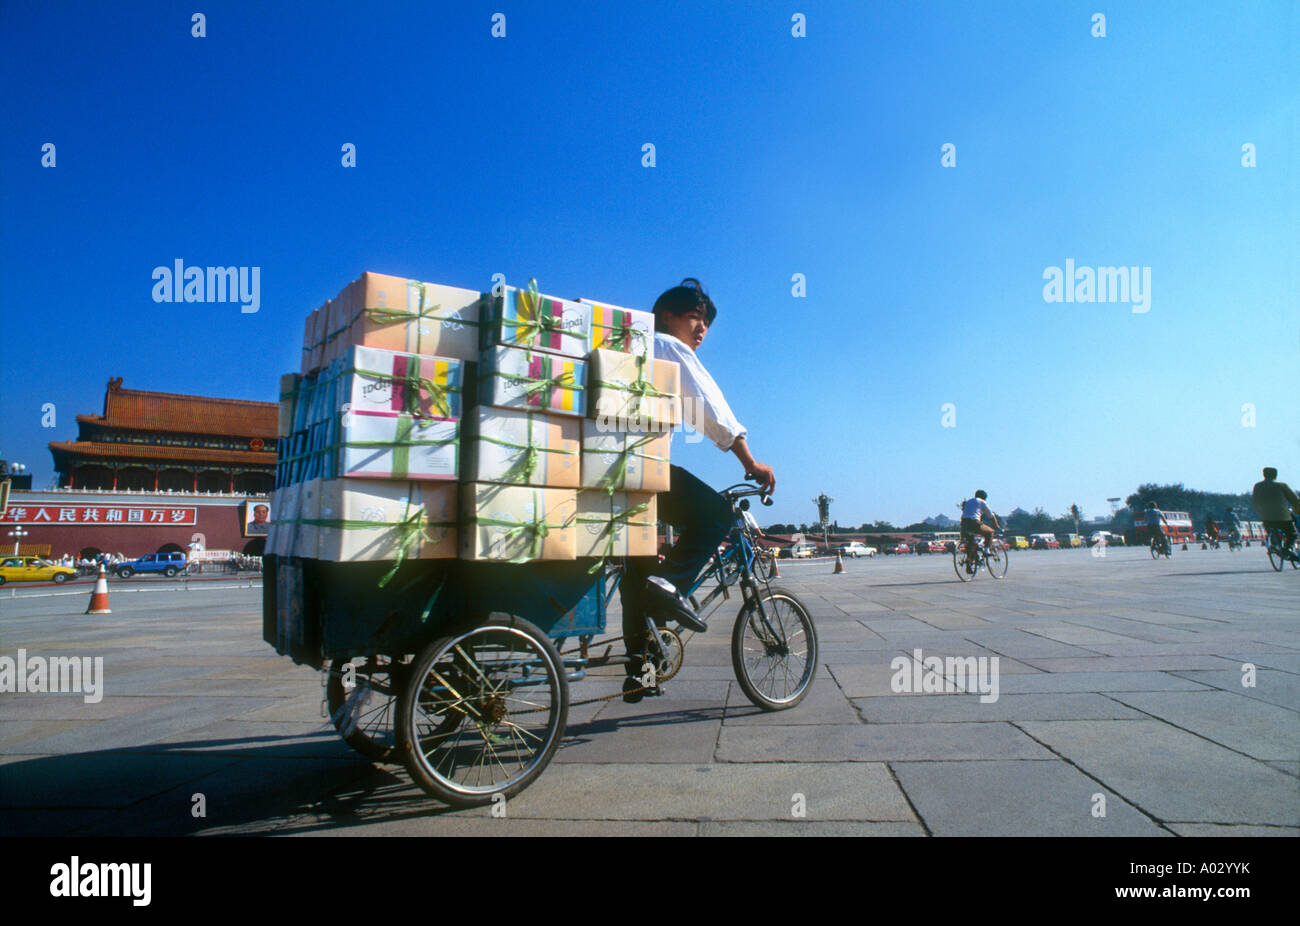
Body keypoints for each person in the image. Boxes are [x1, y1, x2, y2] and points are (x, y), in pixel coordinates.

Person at [619, 278, 775, 702]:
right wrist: (748, 460)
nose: (702, 328)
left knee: (639, 569)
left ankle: (641, 670)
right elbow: (708, 405)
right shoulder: (667, 346)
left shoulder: (634, 348)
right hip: (640, 465)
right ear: (666, 316)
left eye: (706, 322)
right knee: (714, 515)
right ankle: (671, 588)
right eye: (695, 317)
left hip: (612, 469)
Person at [1251, 467, 1300, 551]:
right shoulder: (1281, 485)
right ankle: (1288, 548)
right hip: (1283, 517)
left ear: (1264, 474)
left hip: (1266, 518)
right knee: (1292, 534)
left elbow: (1255, 502)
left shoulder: (1257, 486)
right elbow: (1294, 500)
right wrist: (1297, 510)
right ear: (1276, 475)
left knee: (1272, 532)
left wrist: (1261, 513)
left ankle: (1275, 545)